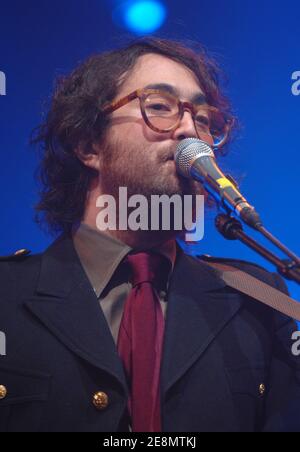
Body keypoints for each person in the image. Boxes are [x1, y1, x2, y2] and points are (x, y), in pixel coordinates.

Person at [0, 37, 299, 433]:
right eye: (159, 106)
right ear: (89, 145)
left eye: (205, 120)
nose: (191, 132)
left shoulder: (261, 298)